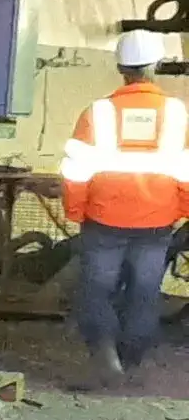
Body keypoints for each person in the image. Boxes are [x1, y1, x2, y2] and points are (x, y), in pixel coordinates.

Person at [60, 28, 187, 384]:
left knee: (97, 287)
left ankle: (105, 351)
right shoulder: (177, 114)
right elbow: (187, 172)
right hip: (157, 221)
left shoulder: (97, 112)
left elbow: (76, 170)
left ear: (120, 68)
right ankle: (131, 359)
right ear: (157, 65)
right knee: (145, 290)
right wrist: (181, 210)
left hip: (103, 219)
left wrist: (75, 210)